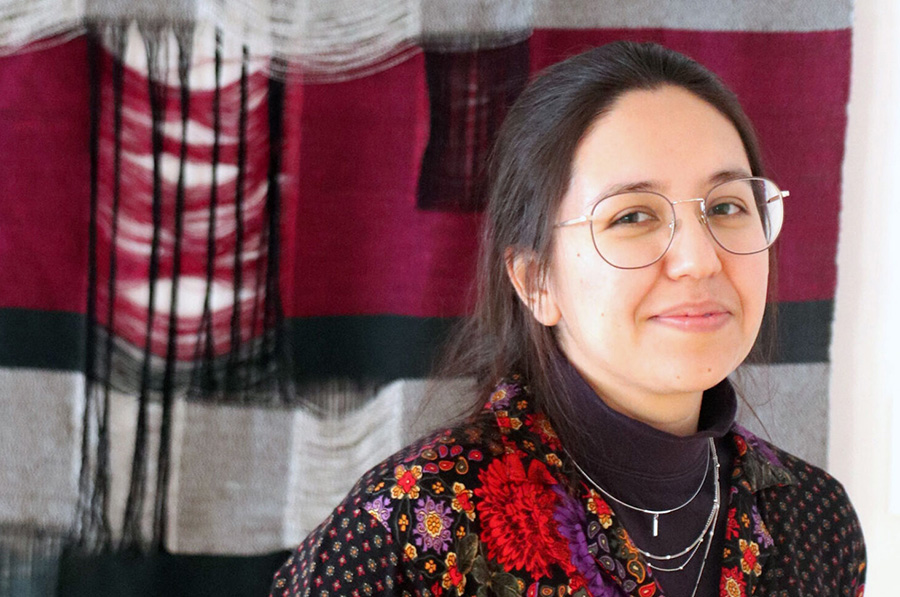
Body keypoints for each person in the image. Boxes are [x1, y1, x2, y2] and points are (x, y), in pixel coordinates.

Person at [270, 41, 866, 597]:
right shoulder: (410, 527)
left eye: (729, 206)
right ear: (536, 282)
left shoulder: (812, 518)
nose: (699, 260)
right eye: (632, 217)